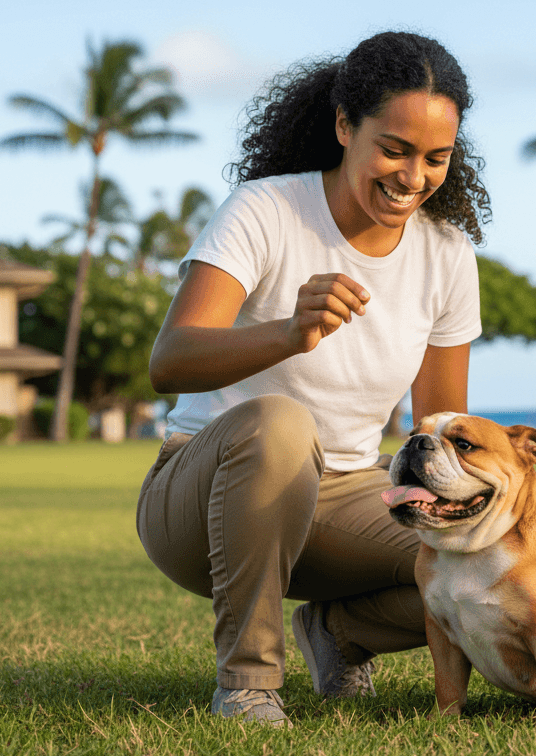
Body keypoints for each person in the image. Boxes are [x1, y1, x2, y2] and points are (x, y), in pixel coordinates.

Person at [138, 31, 489, 728]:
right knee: (279, 424)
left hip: (352, 496)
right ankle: (247, 686)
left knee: (502, 559)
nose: (413, 176)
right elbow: (169, 360)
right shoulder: (265, 211)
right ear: (342, 126)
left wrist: (519, 528)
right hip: (203, 492)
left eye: (435, 158)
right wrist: (288, 334)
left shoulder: (447, 254)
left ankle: (339, 634)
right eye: (393, 149)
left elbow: (441, 429)